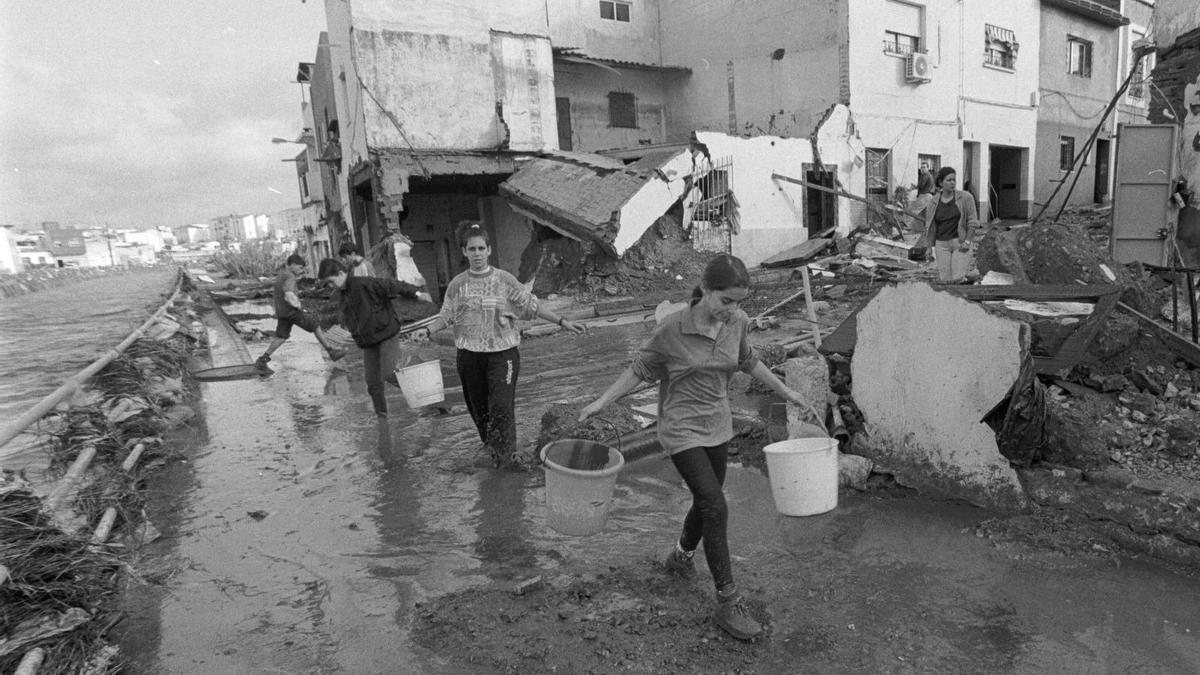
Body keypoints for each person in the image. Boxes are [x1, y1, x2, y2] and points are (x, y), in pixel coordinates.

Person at [578, 253, 810, 641]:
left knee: (706, 503)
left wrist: (786, 390)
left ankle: (681, 557)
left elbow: (748, 361)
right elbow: (639, 369)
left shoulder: (737, 322)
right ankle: (727, 601)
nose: (732, 310)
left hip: (718, 424)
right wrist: (602, 401)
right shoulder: (672, 330)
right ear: (704, 291)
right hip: (680, 428)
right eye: (726, 301)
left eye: (738, 302)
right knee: (716, 504)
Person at [423, 222, 586, 468]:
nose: (477, 253)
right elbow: (446, 316)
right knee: (480, 412)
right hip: (469, 357)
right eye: (472, 249)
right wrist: (427, 330)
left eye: (481, 248)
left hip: (503, 356)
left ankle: (508, 458)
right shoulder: (457, 284)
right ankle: (492, 451)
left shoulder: (504, 280)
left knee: (500, 406)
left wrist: (563, 321)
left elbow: (532, 306)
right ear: (464, 252)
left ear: (489, 250)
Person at [317, 258, 433, 417]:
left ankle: (428, 394)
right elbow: (350, 318)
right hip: (368, 342)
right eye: (327, 284)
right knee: (372, 383)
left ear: (341, 273)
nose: (330, 286)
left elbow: (392, 285)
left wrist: (417, 293)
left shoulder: (363, 283)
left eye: (330, 282)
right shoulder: (342, 296)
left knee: (389, 373)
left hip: (386, 334)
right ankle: (382, 417)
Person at [256, 254, 345, 371]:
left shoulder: (282, 274)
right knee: (315, 324)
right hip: (291, 312)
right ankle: (331, 351)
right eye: (300, 267)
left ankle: (263, 358)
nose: (301, 270)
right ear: (292, 265)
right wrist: (299, 306)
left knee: (281, 337)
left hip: (282, 312)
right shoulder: (289, 276)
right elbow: (289, 295)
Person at [923, 166, 979, 282]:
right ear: (940, 183)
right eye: (949, 180)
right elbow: (931, 226)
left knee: (957, 278)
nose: (952, 183)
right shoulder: (933, 202)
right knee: (946, 280)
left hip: (960, 243)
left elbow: (972, 222)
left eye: (954, 180)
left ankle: (964, 287)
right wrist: (929, 247)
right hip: (941, 245)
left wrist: (968, 241)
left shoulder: (965, 197)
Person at [908, 166, 936, 234]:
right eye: (921, 168)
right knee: (925, 213)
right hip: (929, 196)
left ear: (927, 168)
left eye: (924, 167)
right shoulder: (930, 175)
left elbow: (921, 185)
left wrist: (914, 186)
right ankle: (925, 229)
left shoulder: (925, 175)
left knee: (913, 210)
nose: (922, 169)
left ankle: (909, 227)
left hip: (924, 196)